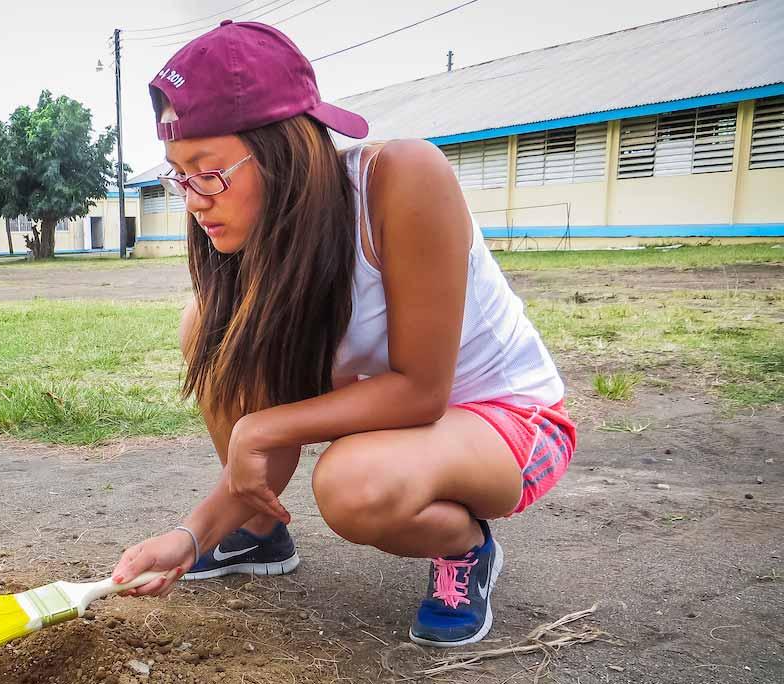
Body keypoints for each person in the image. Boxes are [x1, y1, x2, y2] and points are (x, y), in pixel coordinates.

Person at [109, 20, 576, 649]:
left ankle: (466, 549)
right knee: (208, 327)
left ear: (281, 150)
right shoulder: (252, 233)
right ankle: (255, 531)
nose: (193, 199)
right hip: (382, 403)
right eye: (178, 174)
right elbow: (269, 404)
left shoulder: (399, 178)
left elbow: (421, 392)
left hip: (501, 417)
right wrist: (192, 537)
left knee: (352, 486)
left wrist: (262, 427)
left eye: (208, 169)